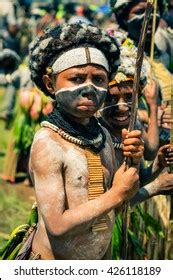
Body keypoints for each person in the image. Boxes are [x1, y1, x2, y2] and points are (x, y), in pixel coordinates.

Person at [24, 22, 144, 260]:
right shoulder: (48, 143)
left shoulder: (102, 135)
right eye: (77, 78)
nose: (89, 88)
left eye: (99, 79)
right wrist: (118, 193)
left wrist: (133, 162)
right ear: (50, 84)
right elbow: (57, 226)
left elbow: (113, 203)